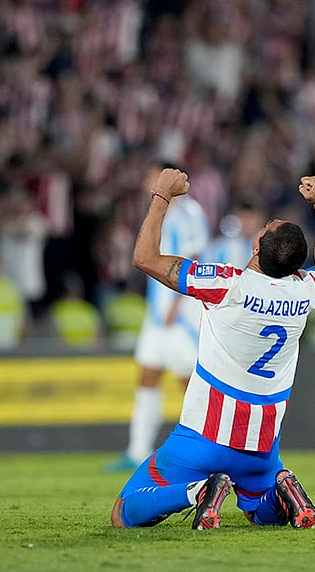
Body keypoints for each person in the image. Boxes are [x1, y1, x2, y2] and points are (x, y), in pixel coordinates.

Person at [110, 170, 315, 531]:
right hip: (262, 445)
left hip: (206, 436)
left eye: (264, 228)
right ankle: (280, 493)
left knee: (124, 512)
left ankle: (198, 492)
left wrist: (161, 196)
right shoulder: (304, 291)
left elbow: (143, 257)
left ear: (257, 246)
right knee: (257, 511)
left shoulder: (225, 284)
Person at [104, 161, 209, 472]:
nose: (150, 181)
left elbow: (196, 257)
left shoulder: (190, 213)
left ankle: (207, 448)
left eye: (155, 175)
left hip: (181, 314)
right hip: (157, 314)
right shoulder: (160, 212)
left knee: (189, 382)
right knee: (148, 375)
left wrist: (178, 303)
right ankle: (136, 452)